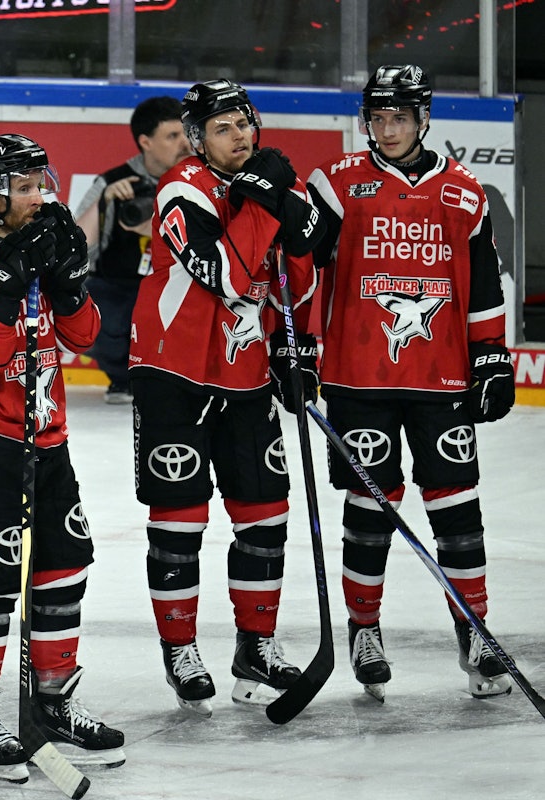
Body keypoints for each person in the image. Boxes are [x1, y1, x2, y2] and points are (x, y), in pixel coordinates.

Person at [0, 133, 125, 783]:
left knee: (64, 567)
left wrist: (67, 280)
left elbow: (86, 339)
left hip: (45, 436)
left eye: (43, 181)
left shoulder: (41, 243)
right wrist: (4, 286)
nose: (43, 195)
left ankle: (52, 700)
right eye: (29, 185)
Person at [306, 64, 515, 702]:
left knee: (458, 506)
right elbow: (303, 267)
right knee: (372, 503)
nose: (387, 129)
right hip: (357, 376)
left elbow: (481, 285)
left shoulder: (464, 192)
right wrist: (302, 346)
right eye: (377, 117)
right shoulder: (337, 185)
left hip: (440, 376)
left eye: (400, 117)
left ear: (424, 120)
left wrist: (492, 357)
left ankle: (476, 631)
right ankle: (364, 628)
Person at [129, 80, 325, 716]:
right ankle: (179, 649)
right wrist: (268, 203)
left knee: (265, 515)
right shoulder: (181, 191)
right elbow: (229, 274)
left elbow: (299, 277)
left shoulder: (274, 183)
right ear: (196, 139)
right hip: (173, 373)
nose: (240, 136)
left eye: (244, 123)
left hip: (246, 378)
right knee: (180, 521)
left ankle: (256, 648)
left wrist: (303, 349)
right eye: (222, 128)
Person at [73, 96, 191, 403]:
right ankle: (123, 378)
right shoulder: (112, 182)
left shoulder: (199, 179)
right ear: (145, 142)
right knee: (92, 304)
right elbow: (75, 252)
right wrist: (105, 202)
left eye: (186, 134)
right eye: (172, 136)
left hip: (183, 284)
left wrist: (158, 230)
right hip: (122, 287)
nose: (184, 144)